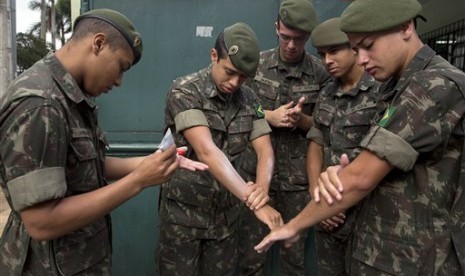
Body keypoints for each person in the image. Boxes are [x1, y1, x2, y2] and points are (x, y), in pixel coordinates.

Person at [255, 0, 465, 274]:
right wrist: (336, 173)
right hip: (383, 246)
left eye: (368, 45)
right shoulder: (395, 85)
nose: (362, 59)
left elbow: (362, 176)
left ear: (405, 27)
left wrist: (295, 225)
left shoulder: (433, 85)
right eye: (356, 49)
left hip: (419, 257)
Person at [0, 9, 208, 275]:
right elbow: (41, 222)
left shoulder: (70, 95)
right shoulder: (41, 104)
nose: (120, 81)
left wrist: (152, 164)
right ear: (98, 43)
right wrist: (138, 181)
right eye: (121, 67)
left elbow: (88, 165)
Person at [156, 22, 283, 276]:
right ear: (214, 56)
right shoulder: (185, 91)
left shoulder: (249, 100)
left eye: (243, 77)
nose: (235, 82)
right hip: (184, 216)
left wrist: (261, 191)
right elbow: (206, 150)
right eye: (229, 72)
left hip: (225, 218)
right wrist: (256, 205)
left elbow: (265, 150)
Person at [237, 0, 331, 275]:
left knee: (294, 258)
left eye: (299, 40)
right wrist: (269, 115)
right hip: (255, 177)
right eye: (286, 37)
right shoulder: (257, 65)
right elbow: (238, 109)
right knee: (252, 255)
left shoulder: (321, 73)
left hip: (297, 181)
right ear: (276, 27)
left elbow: (326, 126)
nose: (291, 45)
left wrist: (301, 121)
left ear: (308, 37)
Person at [307, 17, 381, 275]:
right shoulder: (326, 92)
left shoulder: (381, 90)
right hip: (329, 213)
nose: (327, 60)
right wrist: (318, 196)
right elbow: (316, 142)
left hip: (368, 214)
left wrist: (339, 204)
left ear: (354, 48)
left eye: (334, 51)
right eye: (321, 54)